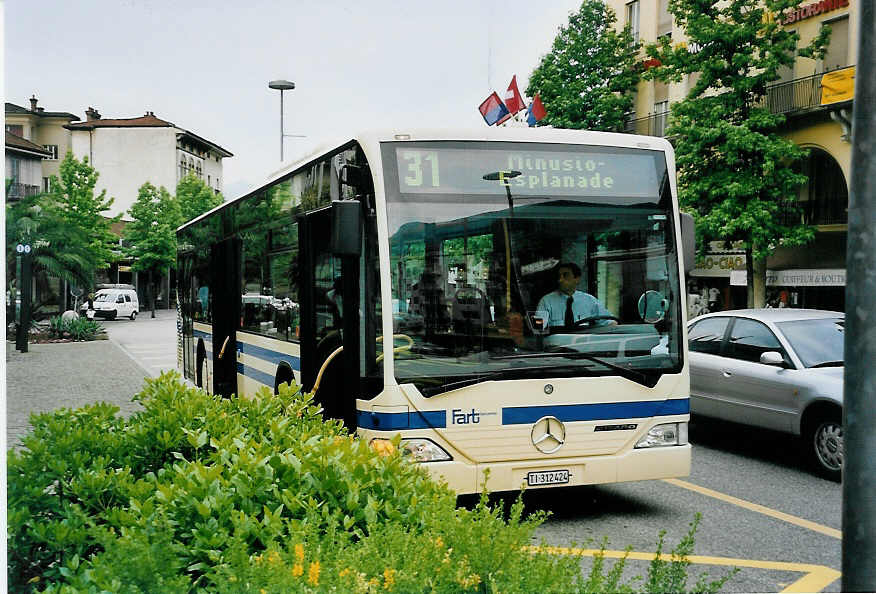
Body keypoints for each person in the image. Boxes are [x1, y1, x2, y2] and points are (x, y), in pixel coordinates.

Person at [535, 262, 616, 331]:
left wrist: (612, 325)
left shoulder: (589, 300)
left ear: (577, 279)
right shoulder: (546, 301)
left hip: (582, 342)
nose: (560, 280)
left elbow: (609, 322)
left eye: (565, 276)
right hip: (557, 343)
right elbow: (539, 329)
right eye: (559, 276)